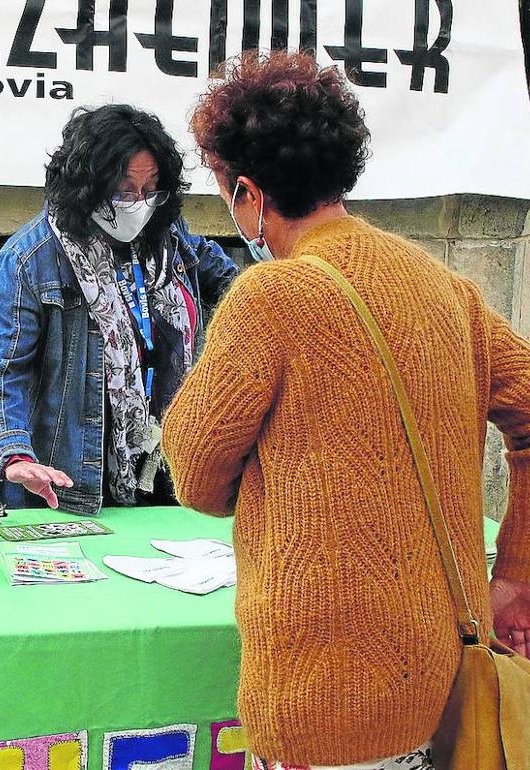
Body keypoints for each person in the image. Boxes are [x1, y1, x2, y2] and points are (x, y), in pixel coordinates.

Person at [162, 50, 530, 770]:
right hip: (439, 676)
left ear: (246, 192)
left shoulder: (269, 300)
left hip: (320, 695)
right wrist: (515, 568)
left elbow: (197, 476)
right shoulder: (446, 290)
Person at [0, 104, 237, 516]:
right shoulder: (29, 260)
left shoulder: (170, 238)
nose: (139, 204)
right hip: (68, 486)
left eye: (151, 190)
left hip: (164, 476)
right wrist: (14, 455)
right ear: (86, 186)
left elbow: (239, 291)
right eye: (124, 191)